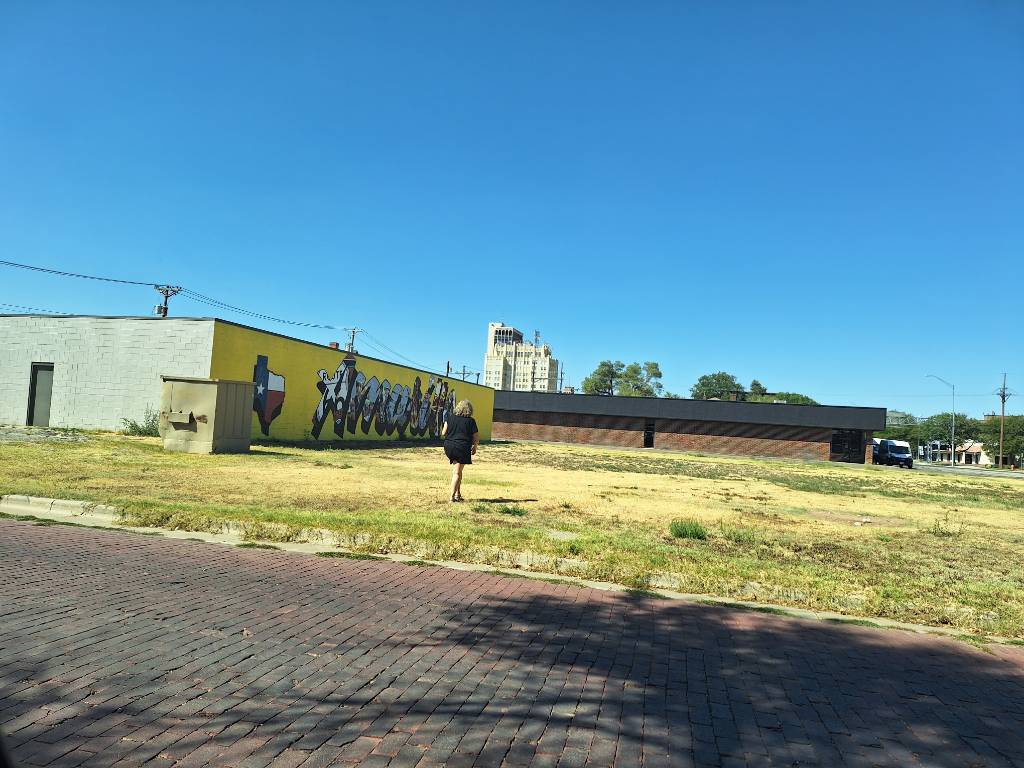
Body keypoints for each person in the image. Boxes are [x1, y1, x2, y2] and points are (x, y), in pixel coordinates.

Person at [441, 399, 479, 502]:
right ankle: (452, 497)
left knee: (459, 470)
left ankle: (458, 494)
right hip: (462, 447)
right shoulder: (471, 421)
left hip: (449, 447)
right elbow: (476, 437)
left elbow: (443, 433)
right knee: (456, 472)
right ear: (469, 410)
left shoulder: (450, 418)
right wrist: (475, 447)